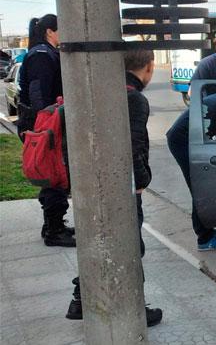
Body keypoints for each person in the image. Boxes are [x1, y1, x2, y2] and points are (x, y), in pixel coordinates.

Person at [66, 50, 162, 326]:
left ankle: (81, 298)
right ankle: (134, 308)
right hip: (122, 184)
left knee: (103, 240)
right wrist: (142, 181)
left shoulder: (99, 88)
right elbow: (133, 146)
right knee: (131, 246)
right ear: (149, 66)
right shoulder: (133, 98)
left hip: (93, 180)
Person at [166, 77, 216, 251]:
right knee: (199, 189)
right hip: (182, 143)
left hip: (183, 139)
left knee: (205, 188)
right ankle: (204, 239)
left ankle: (210, 230)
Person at [17, 14, 75, 247]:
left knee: (54, 175)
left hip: (47, 124)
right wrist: (49, 127)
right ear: (50, 31)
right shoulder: (41, 55)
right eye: (63, 30)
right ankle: (54, 230)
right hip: (45, 126)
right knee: (53, 175)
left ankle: (53, 224)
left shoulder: (46, 53)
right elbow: (39, 95)